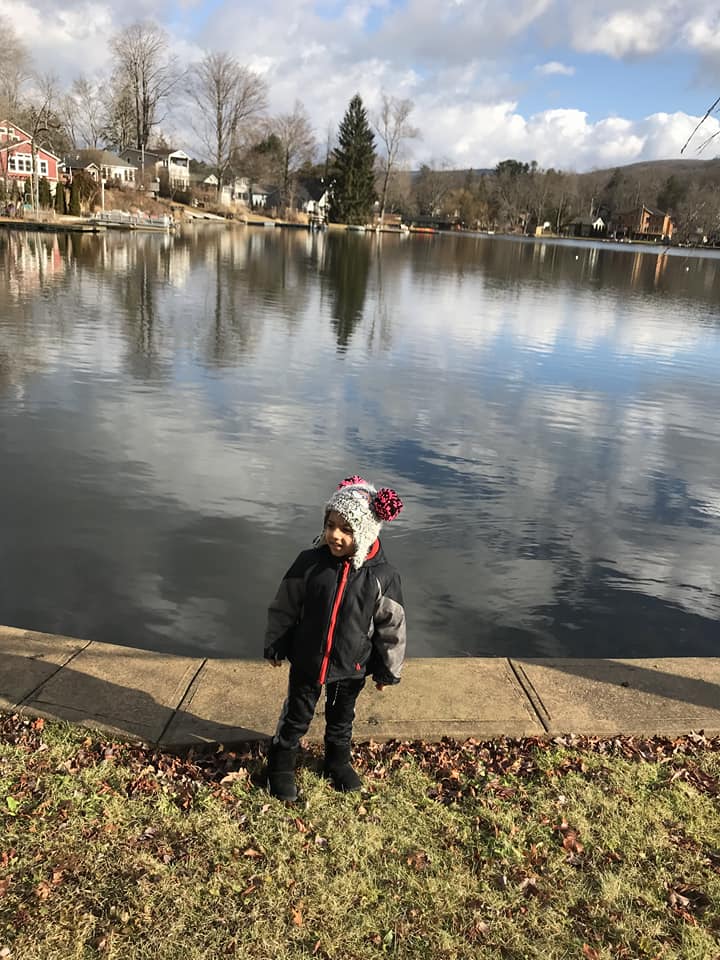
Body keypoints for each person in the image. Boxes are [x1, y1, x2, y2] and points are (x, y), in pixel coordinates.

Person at [263, 475, 406, 800]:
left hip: (351, 664)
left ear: (367, 533)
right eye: (330, 525)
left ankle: (337, 761)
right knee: (297, 714)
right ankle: (281, 765)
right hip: (308, 659)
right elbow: (284, 605)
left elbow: (392, 629)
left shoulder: (382, 576)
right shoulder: (309, 563)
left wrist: (388, 671)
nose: (334, 535)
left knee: (342, 718)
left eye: (346, 529)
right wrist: (277, 642)